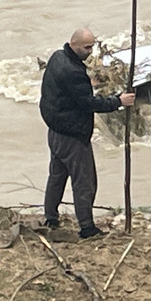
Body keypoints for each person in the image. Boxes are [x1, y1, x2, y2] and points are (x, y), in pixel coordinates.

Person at [39, 28, 136, 239]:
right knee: (84, 182)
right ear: (73, 44)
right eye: (87, 47)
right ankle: (87, 228)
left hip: (55, 131)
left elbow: (68, 91)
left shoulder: (57, 57)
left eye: (92, 46)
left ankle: (50, 217)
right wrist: (118, 101)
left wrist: (86, 84)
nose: (91, 52)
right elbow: (88, 103)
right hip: (73, 136)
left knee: (57, 176)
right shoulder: (73, 72)